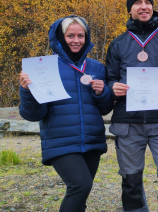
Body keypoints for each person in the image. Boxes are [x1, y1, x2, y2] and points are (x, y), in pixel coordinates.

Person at [105, 0, 158, 212]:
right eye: (138, 3)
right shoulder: (118, 44)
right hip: (127, 123)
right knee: (130, 181)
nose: (144, 6)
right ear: (130, 10)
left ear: (152, 7)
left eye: (147, 2)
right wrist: (114, 87)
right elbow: (109, 79)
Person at [19, 15, 113, 212]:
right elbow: (33, 114)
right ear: (61, 37)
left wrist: (102, 92)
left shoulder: (96, 67)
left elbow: (105, 108)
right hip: (60, 141)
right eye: (70, 35)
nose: (76, 40)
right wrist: (27, 91)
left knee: (81, 195)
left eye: (81, 35)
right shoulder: (43, 67)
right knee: (80, 186)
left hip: (92, 141)